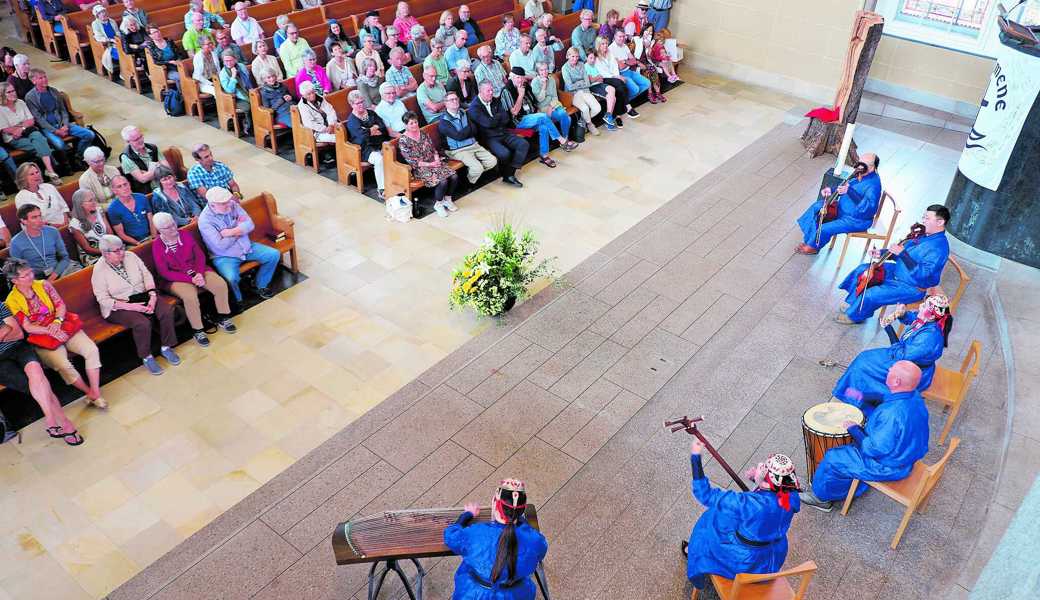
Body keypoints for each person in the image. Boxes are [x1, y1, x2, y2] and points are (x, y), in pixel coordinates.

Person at [800, 361, 930, 512]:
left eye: (891, 371)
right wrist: (861, 396)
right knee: (867, 412)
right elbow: (887, 397)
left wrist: (853, 428)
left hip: (888, 466)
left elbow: (873, 449)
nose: (888, 370)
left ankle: (821, 499)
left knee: (833, 458)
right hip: (905, 455)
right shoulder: (914, 396)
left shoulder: (891, 415)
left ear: (896, 381)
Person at [685, 439, 800, 592]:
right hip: (774, 554)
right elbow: (773, 499)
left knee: (707, 524)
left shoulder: (750, 504)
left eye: (763, 468)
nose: (759, 466)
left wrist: (695, 457)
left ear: (767, 483)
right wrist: (757, 480)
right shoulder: (792, 495)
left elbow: (704, 494)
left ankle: (694, 554)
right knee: (722, 519)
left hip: (748, 562)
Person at [4, 258, 105, 408]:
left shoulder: (43, 284)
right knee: (63, 365)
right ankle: (88, 391)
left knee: (91, 350)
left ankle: (95, 393)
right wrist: (50, 331)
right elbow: (27, 327)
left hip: (61, 323)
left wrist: (57, 323)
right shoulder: (11, 301)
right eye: (25, 275)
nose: (31, 276)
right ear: (14, 280)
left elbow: (60, 305)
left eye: (30, 272)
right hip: (41, 336)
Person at [835, 294, 951, 417]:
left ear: (932, 315)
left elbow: (902, 356)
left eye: (924, 306)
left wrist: (889, 330)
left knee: (862, 366)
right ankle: (856, 397)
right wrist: (903, 314)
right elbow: (914, 318)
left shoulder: (929, 337)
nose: (920, 306)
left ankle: (864, 404)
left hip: (912, 370)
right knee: (864, 358)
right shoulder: (928, 320)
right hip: (904, 357)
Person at [837, 204, 951, 324]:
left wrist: (902, 254)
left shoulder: (939, 248)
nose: (923, 221)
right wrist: (883, 253)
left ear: (940, 222)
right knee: (863, 269)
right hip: (898, 270)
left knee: (872, 294)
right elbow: (901, 254)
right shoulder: (925, 235)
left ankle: (855, 316)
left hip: (911, 286)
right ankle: (853, 302)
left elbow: (923, 274)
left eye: (927, 218)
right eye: (923, 217)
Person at [92, 235, 181, 376]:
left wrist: (152, 295)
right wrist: (132, 307)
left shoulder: (131, 256)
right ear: (105, 253)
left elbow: (146, 275)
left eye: (122, 248)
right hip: (119, 305)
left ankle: (166, 347)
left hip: (144, 295)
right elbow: (103, 299)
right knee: (142, 323)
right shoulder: (99, 270)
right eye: (117, 251)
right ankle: (146, 356)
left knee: (166, 311)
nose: (122, 252)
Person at [444, 479, 548, 598]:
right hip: (517, 594)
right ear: (522, 510)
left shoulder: (475, 533)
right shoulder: (534, 539)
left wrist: (467, 515)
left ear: (495, 503)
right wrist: (524, 525)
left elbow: (451, 536)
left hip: (475, 594)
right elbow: (541, 553)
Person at [0, 300, 83, 445]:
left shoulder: (0, 305)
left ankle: (51, 419)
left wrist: (7, 331)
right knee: (36, 385)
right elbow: (8, 328)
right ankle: (64, 423)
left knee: (37, 374)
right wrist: (5, 330)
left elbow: (18, 334)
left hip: (19, 347)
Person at [151, 212, 235, 347]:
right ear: (159, 230)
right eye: (168, 227)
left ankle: (223, 317)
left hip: (198, 270)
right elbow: (165, 272)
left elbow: (200, 257)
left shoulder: (185, 234)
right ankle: (198, 330)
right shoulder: (157, 245)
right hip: (176, 278)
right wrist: (191, 279)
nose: (173, 228)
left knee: (220, 285)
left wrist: (199, 274)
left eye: (173, 224)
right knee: (190, 296)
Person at [199, 187, 281, 301]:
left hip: (245, 246)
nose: (229, 204)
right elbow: (220, 245)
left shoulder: (232, 204)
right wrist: (239, 230)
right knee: (231, 277)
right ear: (212, 204)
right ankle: (238, 300)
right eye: (224, 203)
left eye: (228, 201)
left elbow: (250, 225)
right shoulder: (205, 221)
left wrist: (229, 232)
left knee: (273, 255)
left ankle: (259, 285)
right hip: (224, 256)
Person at [796, 154, 882, 255]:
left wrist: (849, 191)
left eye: (863, 164)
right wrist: (831, 190)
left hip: (856, 220)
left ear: (872, 167)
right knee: (817, 207)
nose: (859, 166)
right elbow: (845, 186)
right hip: (841, 209)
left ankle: (813, 247)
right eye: (859, 162)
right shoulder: (860, 173)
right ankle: (810, 239)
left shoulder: (874, 185)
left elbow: (870, 209)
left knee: (824, 229)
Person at [505, 67, 577, 169]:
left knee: (544, 127)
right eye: (517, 77)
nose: (520, 80)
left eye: (522, 77)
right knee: (543, 116)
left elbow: (534, 102)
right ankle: (561, 140)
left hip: (531, 116)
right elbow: (514, 113)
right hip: (517, 123)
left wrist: (538, 110)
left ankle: (544, 155)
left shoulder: (525, 86)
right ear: (511, 77)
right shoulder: (507, 90)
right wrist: (520, 95)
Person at [25, 69, 97, 160]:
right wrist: (55, 131)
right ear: (33, 81)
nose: (45, 79)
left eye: (45, 77)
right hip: (48, 128)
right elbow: (38, 119)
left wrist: (65, 125)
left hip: (62, 124)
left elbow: (63, 110)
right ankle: (68, 161)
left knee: (90, 134)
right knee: (60, 145)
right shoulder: (30, 97)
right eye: (41, 78)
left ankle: (78, 155)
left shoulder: (54, 91)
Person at [398, 111, 458, 217]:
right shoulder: (403, 141)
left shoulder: (423, 133)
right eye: (411, 123)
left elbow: (433, 149)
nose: (414, 125)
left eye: (416, 122)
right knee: (443, 181)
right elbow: (412, 161)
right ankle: (438, 204)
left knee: (454, 176)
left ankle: (447, 199)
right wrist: (431, 164)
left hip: (433, 161)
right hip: (421, 168)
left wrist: (436, 159)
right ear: (406, 125)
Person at [469, 81, 527, 187]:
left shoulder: (495, 100)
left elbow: (506, 118)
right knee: (504, 154)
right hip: (488, 137)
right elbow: (487, 123)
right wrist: (497, 118)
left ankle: (510, 173)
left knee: (523, 144)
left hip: (503, 131)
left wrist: (493, 119)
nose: (491, 93)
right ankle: (507, 175)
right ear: (480, 91)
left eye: (492, 90)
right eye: (488, 91)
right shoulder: (474, 107)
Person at [0, 82, 61, 183]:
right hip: (14, 138)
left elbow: (31, 121)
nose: (13, 93)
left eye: (13, 90)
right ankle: (50, 170)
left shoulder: (20, 102)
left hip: (29, 131)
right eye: (9, 92)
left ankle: (49, 171)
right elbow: (5, 129)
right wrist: (23, 125)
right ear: (2, 95)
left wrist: (21, 128)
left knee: (37, 136)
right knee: (42, 144)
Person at [439, 91, 497, 186]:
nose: (455, 101)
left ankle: (471, 175)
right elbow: (458, 137)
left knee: (492, 161)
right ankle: (468, 183)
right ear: (446, 103)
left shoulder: (464, 113)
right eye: (451, 100)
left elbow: (475, 130)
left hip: (473, 145)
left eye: (456, 99)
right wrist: (469, 128)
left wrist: (466, 131)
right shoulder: (444, 121)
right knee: (477, 168)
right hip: (458, 150)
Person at [10, 204, 72, 280]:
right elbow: (18, 271)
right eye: (34, 217)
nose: (39, 220)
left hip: (59, 270)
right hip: (35, 278)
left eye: (40, 216)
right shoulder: (15, 242)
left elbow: (65, 258)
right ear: (24, 221)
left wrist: (54, 275)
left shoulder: (53, 231)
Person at [346, 90, 388, 198]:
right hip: (365, 149)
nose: (361, 105)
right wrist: (373, 129)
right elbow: (362, 136)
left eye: (362, 102)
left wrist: (369, 130)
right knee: (379, 159)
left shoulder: (371, 113)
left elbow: (382, 127)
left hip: (379, 143)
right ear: (351, 105)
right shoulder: (352, 121)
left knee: (394, 150)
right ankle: (382, 189)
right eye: (357, 103)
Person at [590, 36, 633, 127]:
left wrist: (617, 75)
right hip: (604, 78)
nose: (605, 45)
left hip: (613, 76)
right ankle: (628, 107)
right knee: (619, 83)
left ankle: (617, 116)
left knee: (619, 88)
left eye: (606, 43)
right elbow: (602, 72)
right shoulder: (596, 56)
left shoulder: (610, 53)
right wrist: (616, 77)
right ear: (598, 45)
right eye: (602, 44)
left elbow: (614, 66)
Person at [561, 48, 601, 136]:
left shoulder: (581, 64)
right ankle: (590, 124)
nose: (575, 59)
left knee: (597, 108)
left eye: (577, 56)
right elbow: (570, 87)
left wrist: (577, 84)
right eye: (573, 56)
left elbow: (587, 83)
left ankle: (583, 120)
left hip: (585, 90)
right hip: (573, 94)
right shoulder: (565, 68)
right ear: (567, 56)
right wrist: (581, 82)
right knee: (585, 109)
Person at [532, 61, 576, 141]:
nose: (544, 72)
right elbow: (539, 99)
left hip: (553, 105)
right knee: (567, 118)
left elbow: (555, 96)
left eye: (546, 69)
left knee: (565, 115)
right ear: (538, 71)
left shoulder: (551, 79)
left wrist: (551, 106)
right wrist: (544, 86)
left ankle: (564, 139)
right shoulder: (535, 82)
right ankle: (565, 139)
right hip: (542, 107)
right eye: (541, 70)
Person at [15, 163, 70, 227]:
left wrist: (66, 222)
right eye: (32, 174)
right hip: (44, 229)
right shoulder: (21, 197)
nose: (36, 175)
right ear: (23, 178)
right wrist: (55, 226)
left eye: (37, 172)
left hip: (66, 223)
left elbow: (64, 207)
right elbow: (31, 221)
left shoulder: (49, 187)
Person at [119, 125, 169, 194]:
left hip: (165, 184)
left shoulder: (152, 147)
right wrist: (158, 167)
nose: (140, 140)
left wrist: (148, 173)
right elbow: (143, 179)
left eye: (141, 136)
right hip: (148, 192)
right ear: (128, 142)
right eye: (136, 140)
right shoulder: (126, 157)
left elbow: (167, 168)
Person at [106, 175, 155, 245]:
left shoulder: (142, 197)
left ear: (129, 184)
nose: (124, 188)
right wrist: (139, 244)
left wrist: (154, 238)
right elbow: (121, 234)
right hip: (133, 244)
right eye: (119, 186)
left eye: (125, 184)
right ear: (114, 191)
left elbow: (151, 221)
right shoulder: (113, 209)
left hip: (151, 237)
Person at [68, 188, 110, 266]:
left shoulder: (99, 211)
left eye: (94, 199)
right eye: (90, 200)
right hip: (92, 256)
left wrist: (112, 247)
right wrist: (107, 252)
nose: (94, 202)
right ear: (80, 204)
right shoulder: (75, 224)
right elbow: (87, 249)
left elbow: (109, 232)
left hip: (108, 247)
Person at [609, 29, 650, 107]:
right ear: (615, 36)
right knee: (636, 89)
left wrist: (624, 61)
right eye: (620, 36)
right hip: (620, 74)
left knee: (647, 83)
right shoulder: (611, 49)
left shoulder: (624, 46)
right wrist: (628, 62)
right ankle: (625, 103)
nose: (622, 38)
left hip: (629, 71)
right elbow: (620, 67)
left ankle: (625, 101)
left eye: (623, 36)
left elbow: (633, 60)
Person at [218, 49, 255, 136]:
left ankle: (259, 124)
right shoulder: (223, 74)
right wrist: (233, 76)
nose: (228, 63)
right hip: (236, 98)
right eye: (226, 61)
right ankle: (249, 127)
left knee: (260, 101)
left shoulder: (241, 66)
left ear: (235, 59)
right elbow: (229, 90)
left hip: (247, 91)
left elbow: (248, 80)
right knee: (249, 107)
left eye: (230, 60)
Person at [147, 24, 186, 93]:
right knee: (179, 77)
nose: (157, 33)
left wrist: (178, 60)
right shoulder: (151, 46)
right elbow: (156, 61)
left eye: (158, 31)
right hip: (166, 70)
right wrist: (169, 62)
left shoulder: (169, 41)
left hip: (178, 65)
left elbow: (179, 53)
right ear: (150, 36)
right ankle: (182, 95)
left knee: (190, 73)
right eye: (154, 32)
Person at [297, 81, 338, 146]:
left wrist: (331, 125)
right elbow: (309, 123)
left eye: (313, 92)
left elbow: (330, 111)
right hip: (317, 132)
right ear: (303, 96)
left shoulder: (320, 98)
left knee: (344, 132)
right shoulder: (302, 105)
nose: (312, 95)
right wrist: (325, 129)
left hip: (330, 126)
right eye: (309, 94)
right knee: (337, 137)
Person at [91, 5, 121, 77]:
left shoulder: (112, 21)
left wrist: (117, 38)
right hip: (108, 46)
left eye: (104, 11)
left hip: (117, 42)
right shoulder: (95, 24)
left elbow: (117, 32)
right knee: (121, 54)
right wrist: (110, 40)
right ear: (97, 15)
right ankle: (123, 72)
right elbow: (98, 37)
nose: (103, 14)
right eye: (100, 13)